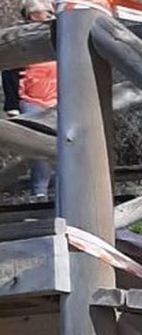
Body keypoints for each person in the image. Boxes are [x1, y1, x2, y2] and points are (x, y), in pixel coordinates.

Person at [17, 0, 55, 199]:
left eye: (49, 12)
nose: (47, 16)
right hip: (31, 100)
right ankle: (39, 192)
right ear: (30, 16)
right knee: (39, 148)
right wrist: (12, 105)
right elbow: (10, 74)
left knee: (66, 147)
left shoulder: (58, 34)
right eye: (42, 12)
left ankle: (64, 193)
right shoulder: (20, 38)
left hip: (59, 100)